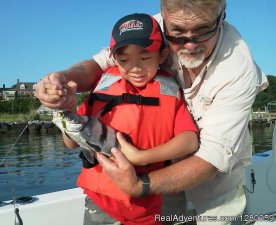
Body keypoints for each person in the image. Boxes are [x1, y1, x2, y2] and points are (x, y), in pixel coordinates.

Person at [35, 0, 269, 224]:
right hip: (113, 198)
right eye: (177, 32)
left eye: (203, 29)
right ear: (165, 19)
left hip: (211, 181)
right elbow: (97, 65)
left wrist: (138, 175)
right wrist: (62, 83)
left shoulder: (239, 69)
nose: (189, 43)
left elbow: (210, 157)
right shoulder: (148, 30)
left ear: (221, 17)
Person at [60, 13, 198, 225]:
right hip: (103, 204)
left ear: (162, 56)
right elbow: (70, 143)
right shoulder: (104, 86)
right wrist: (68, 110)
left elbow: (190, 140)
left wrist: (140, 157)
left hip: (155, 203)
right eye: (124, 60)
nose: (135, 68)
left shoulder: (169, 92)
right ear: (114, 59)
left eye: (144, 58)